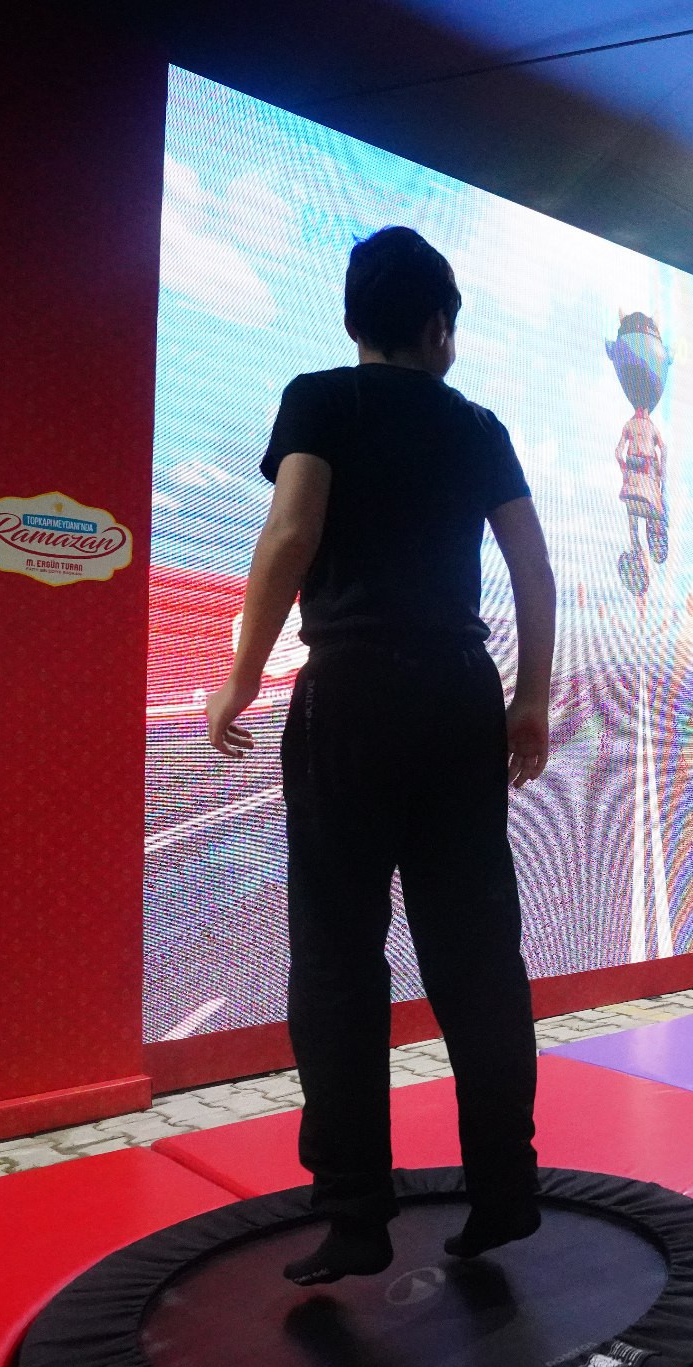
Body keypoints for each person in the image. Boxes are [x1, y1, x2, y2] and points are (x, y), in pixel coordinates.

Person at [206, 226, 557, 1285]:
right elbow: (534, 572)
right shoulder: (478, 425)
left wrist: (241, 675)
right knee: (476, 949)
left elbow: (289, 535)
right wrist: (529, 701)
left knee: (336, 952)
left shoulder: (320, 398)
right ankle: (504, 1187)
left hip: (350, 692)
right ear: (439, 327)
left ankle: (356, 1212)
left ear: (356, 317)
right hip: (456, 691)